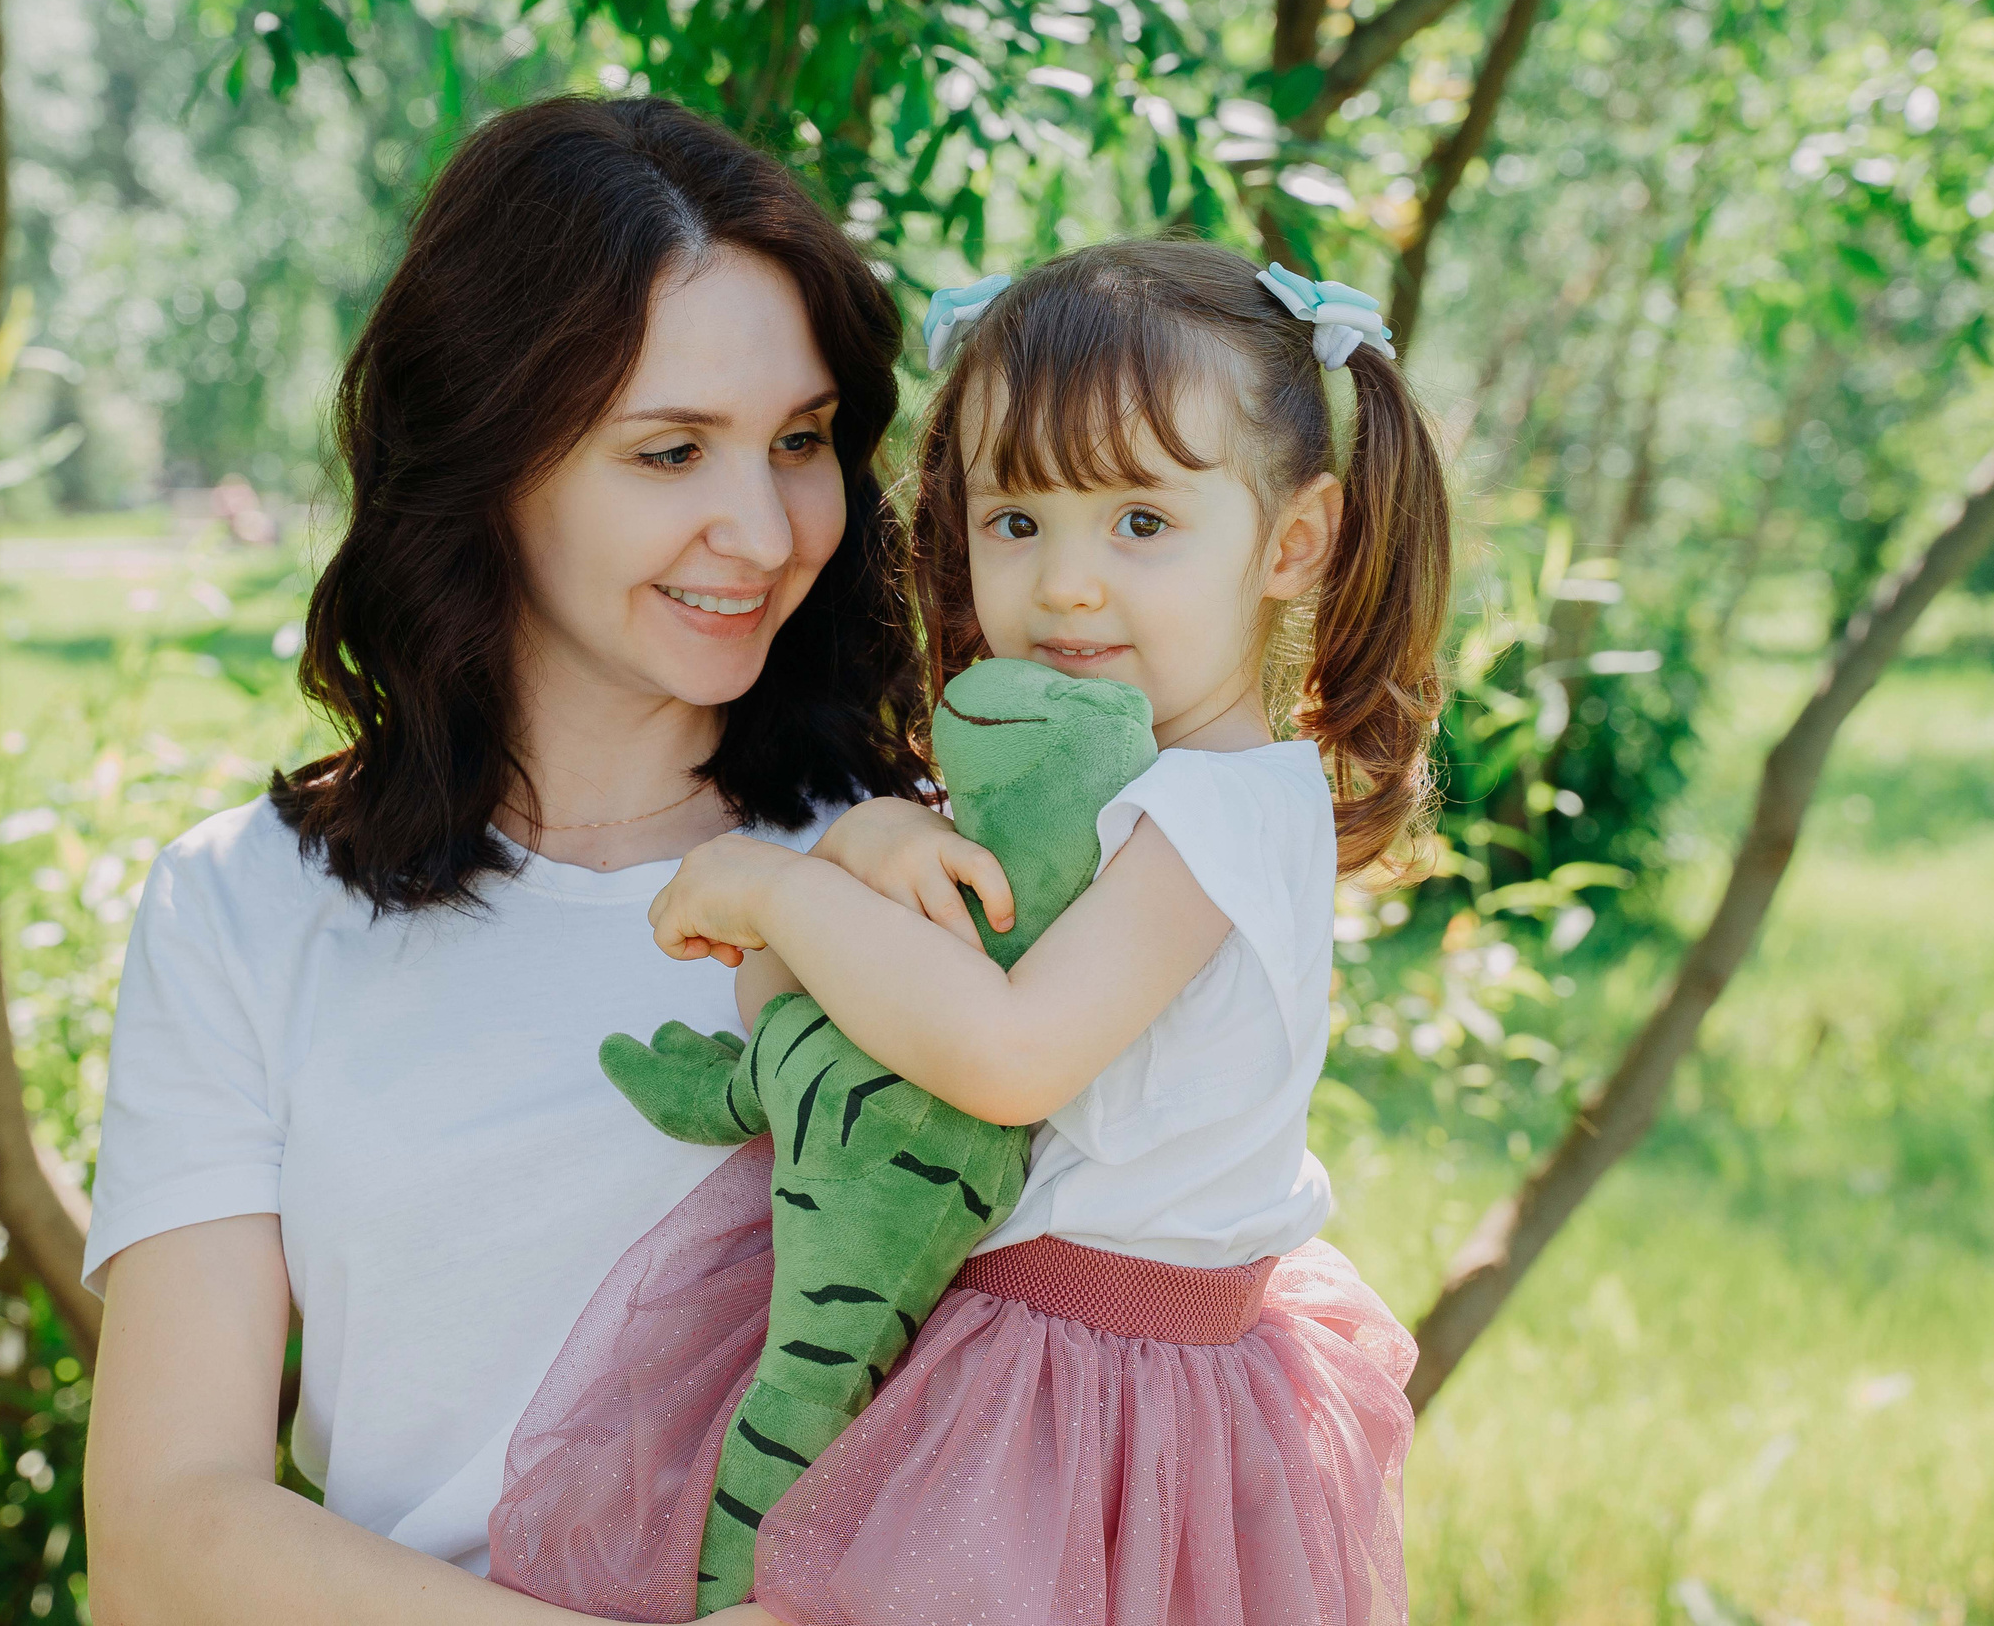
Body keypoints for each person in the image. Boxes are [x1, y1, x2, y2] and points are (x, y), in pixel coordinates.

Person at [496, 241, 1448, 1624]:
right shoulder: (1084, 796)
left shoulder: (1218, 814)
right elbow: (812, 1040)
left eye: (1140, 522)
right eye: (1017, 522)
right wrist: (860, 854)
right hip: (1004, 1336)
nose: (1064, 584)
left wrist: (774, 888)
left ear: (1289, 543)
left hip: (1085, 1393)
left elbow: (1005, 1059)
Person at [78, 94, 936, 1626]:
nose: (761, 525)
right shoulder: (243, 906)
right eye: (670, 452)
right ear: (492, 457)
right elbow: (163, 1529)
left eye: (801, 442)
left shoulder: (916, 871)